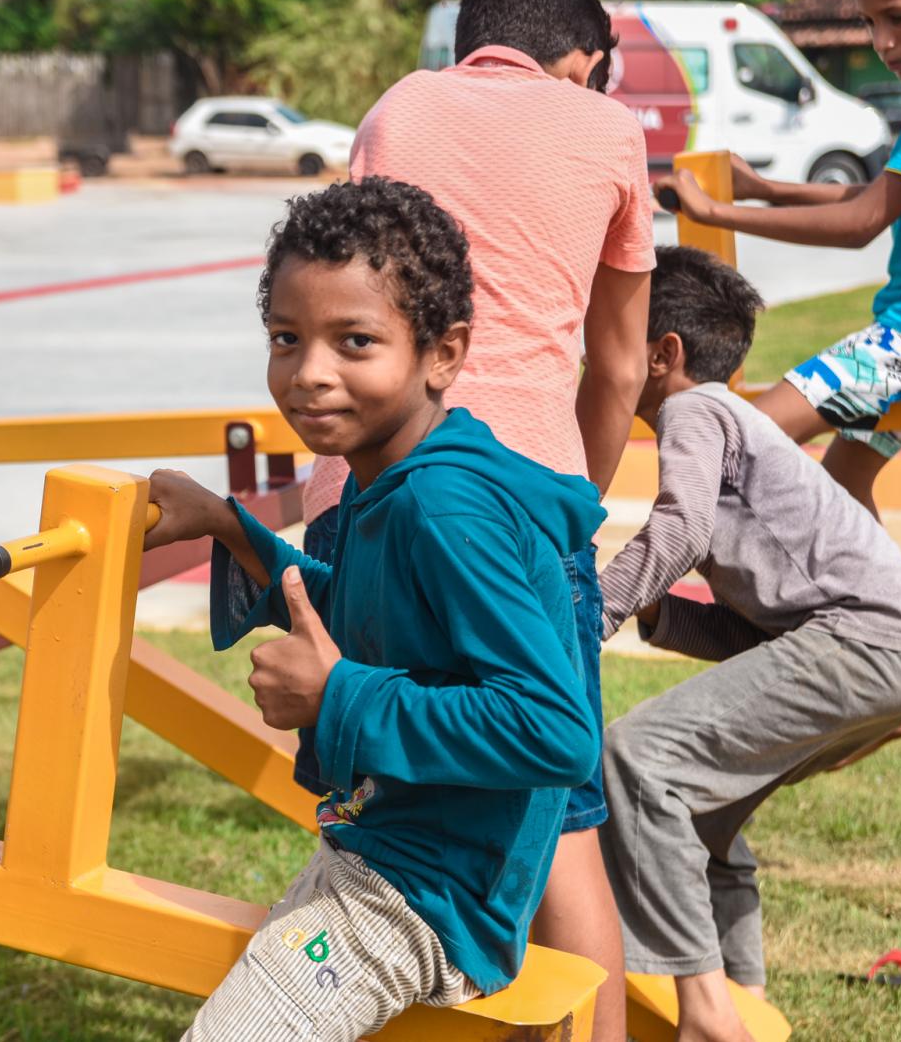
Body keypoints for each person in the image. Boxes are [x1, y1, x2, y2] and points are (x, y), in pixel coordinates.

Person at [146, 177, 605, 1041]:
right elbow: (366, 612)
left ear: (444, 353)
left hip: (422, 899)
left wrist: (337, 695)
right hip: (387, 858)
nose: (310, 373)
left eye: (355, 341)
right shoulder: (390, 478)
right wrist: (228, 525)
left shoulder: (443, 508)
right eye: (287, 339)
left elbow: (555, 729)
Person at [293, 0, 653, 1034]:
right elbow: (620, 365)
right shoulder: (604, 126)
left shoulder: (399, 108)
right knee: (559, 814)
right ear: (582, 58)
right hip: (511, 498)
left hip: (361, 493)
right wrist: (570, 506)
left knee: (380, 800)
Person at [595, 246, 901, 1042]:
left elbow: (678, 530)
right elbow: (762, 640)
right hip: (898, 650)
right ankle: (746, 1003)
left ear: (664, 353)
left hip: (863, 642)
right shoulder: (736, 427)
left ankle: (708, 1015)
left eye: (609, 333)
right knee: (704, 818)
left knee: (637, 761)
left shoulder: (697, 411)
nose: (596, 353)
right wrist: (658, 617)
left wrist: (596, 609)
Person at [662, 0, 901, 519]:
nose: (881, 41)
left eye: (898, 17)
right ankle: (891, 607)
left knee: (733, 446)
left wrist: (716, 214)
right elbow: (882, 193)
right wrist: (765, 190)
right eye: (869, 22)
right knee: (844, 485)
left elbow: (862, 221)